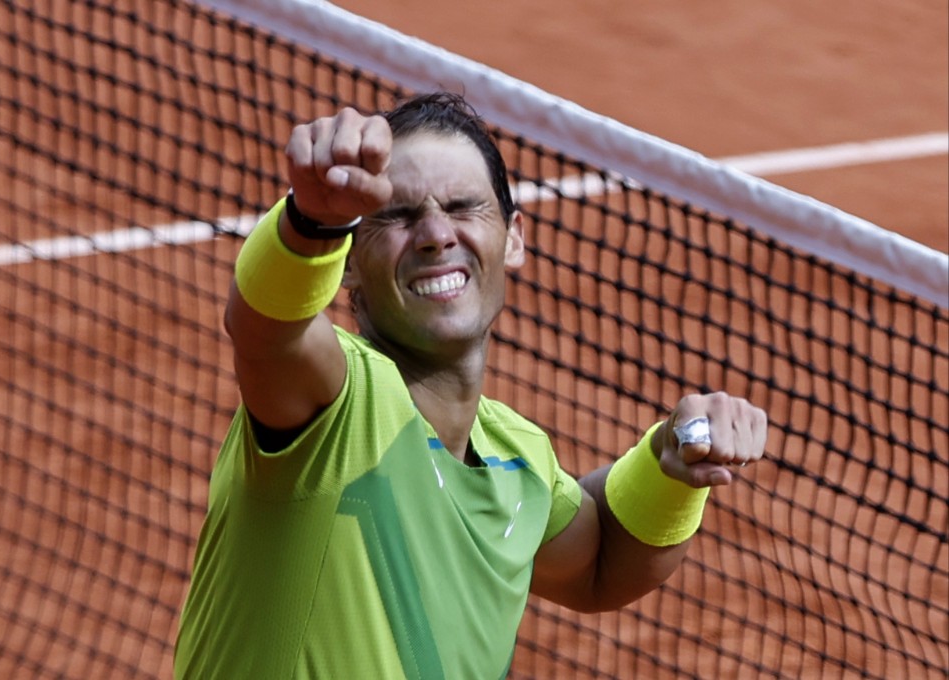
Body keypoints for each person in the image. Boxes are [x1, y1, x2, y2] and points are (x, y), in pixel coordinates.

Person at [174, 92, 767, 679]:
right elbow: (267, 330)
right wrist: (311, 223)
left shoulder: (516, 459)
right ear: (348, 261)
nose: (436, 234)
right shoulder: (340, 402)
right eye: (399, 216)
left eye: (463, 207)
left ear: (512, 238)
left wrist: (669, 463)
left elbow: (601, 562)